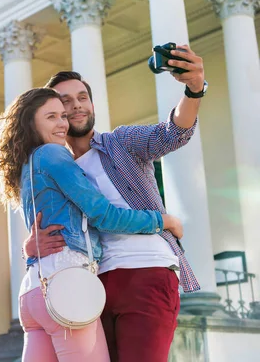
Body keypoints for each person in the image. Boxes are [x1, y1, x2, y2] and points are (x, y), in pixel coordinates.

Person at [22, 45, 206, 362]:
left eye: (82, 97)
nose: (76, 106)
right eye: (64, 102)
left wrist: (194, 89)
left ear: (92, 103)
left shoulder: (120, 142)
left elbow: (172, 133)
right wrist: (31, 246)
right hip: (90, 284)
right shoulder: (55, 165)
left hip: (145, 270)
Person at [0, 87, 184, 361]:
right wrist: (162, 220)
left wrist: (27, 248)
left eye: (62, 116)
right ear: (31, 122)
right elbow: (103, 215)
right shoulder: (54, 154)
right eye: (51, 117)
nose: (62, 123)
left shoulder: (27, 164)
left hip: (33, 292)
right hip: (66, 281)